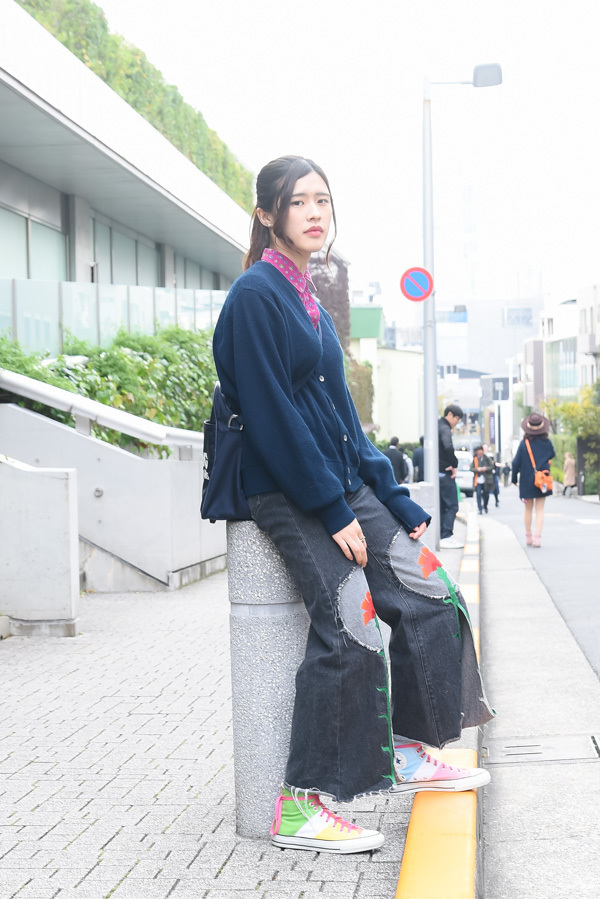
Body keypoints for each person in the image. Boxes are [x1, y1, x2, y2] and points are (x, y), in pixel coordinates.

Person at [213, 156, 493, 855]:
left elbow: (343, 418)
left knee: (431, 587)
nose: (315, 213)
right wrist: (332, 510)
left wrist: (391, 498)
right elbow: (274, 417)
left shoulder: (307, 295)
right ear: (266, 215)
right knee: (352, 622)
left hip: (341, 482)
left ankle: (406, 747)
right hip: (284, 487)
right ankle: (301, 804)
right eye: (299, 202)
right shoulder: (256, 296)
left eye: (323, 202)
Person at [511, 412, 556, 548]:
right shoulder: (547, 443)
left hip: (526, 481)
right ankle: (538, 538)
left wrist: (514, 479)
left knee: (528, 509)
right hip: (542, 480)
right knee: (540, 510)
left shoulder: (524, 444)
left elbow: (515, 463)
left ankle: (528, 536)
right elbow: (552, 454)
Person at [438, 404, 464, 549]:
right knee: (452, 505)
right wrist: (454, 463)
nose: (456, 422)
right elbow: (448, 446)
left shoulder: (436, 425)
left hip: (438, 472)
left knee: (442, 506)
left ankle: (443, 536)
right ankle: (446, 536)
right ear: (450, 414)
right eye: (457, 419)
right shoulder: (445, 428)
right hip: (444, 474)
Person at [471, 445, 494, 515]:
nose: (480, 454)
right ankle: (480, 508)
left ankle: (485, 506)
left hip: (486, 480)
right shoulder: (475, 459)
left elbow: (492, 466)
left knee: (486, 494)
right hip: (478, 479)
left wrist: (485, 468)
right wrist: (477, 469)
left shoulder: (487, 458)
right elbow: (471, 468)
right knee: (478, 494)